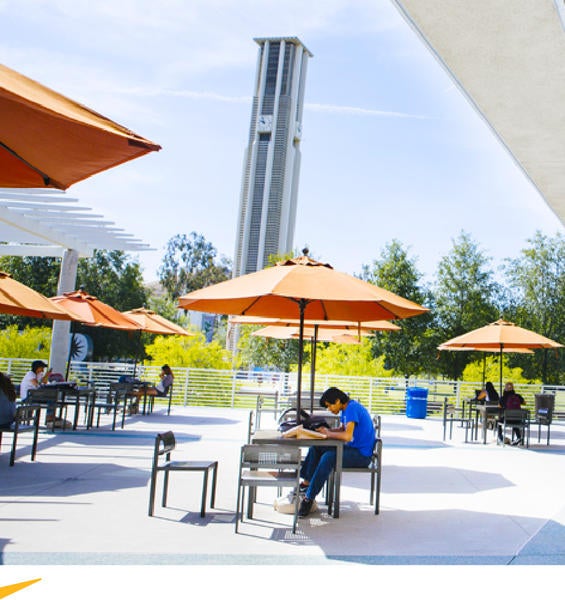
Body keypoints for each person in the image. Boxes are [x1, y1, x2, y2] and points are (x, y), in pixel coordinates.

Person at [297, 386, 375, 518]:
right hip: (352, 449)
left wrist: (327, 434)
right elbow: (342, 429)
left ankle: (308, 498)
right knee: (316, 448)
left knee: (328, 457)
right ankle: (306, 483)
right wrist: (326, 431)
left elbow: (347, 436)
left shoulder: (351, 409)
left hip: (361, 455)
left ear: (338, 400)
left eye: (330, 406)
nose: (329, 409)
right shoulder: (347, 408)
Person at [19, 360, 68, 428]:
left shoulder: (38, 375)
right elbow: (36, 384)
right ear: (37, 367)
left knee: (52, 399)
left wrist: (47, 375)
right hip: (28, 397)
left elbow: (43, 382)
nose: (42, 369)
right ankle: (49, 416)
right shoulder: (30, 374)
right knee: (50, 398)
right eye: (42, 367)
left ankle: (50, 415)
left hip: (34, 395)